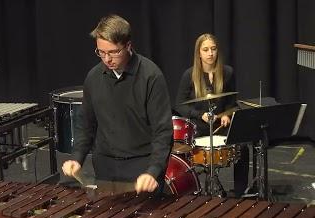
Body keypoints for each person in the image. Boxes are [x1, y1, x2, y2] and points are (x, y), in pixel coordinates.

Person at [62, 14, 173, 194]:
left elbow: (163, 131)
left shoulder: (151, 76)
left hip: (141, 168)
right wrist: (77, 158)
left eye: (113, 52)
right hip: (105, 167)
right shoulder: (93, 77)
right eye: (101, 52)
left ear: (128, 46)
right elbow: (86, 125)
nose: (107, 59)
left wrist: (153, 171)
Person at [174, 33, 249, 196]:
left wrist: (226, 115)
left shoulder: (227, 72)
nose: (210, 54)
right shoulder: (189, 75)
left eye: (213, 49)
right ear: (198, 53)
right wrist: (199, 114)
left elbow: (231, 101)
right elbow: (179, 104)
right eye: (206, 50)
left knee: (243, 146)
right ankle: (189, 188)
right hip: (198, 126)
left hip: (219, 125)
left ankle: (240, 191)